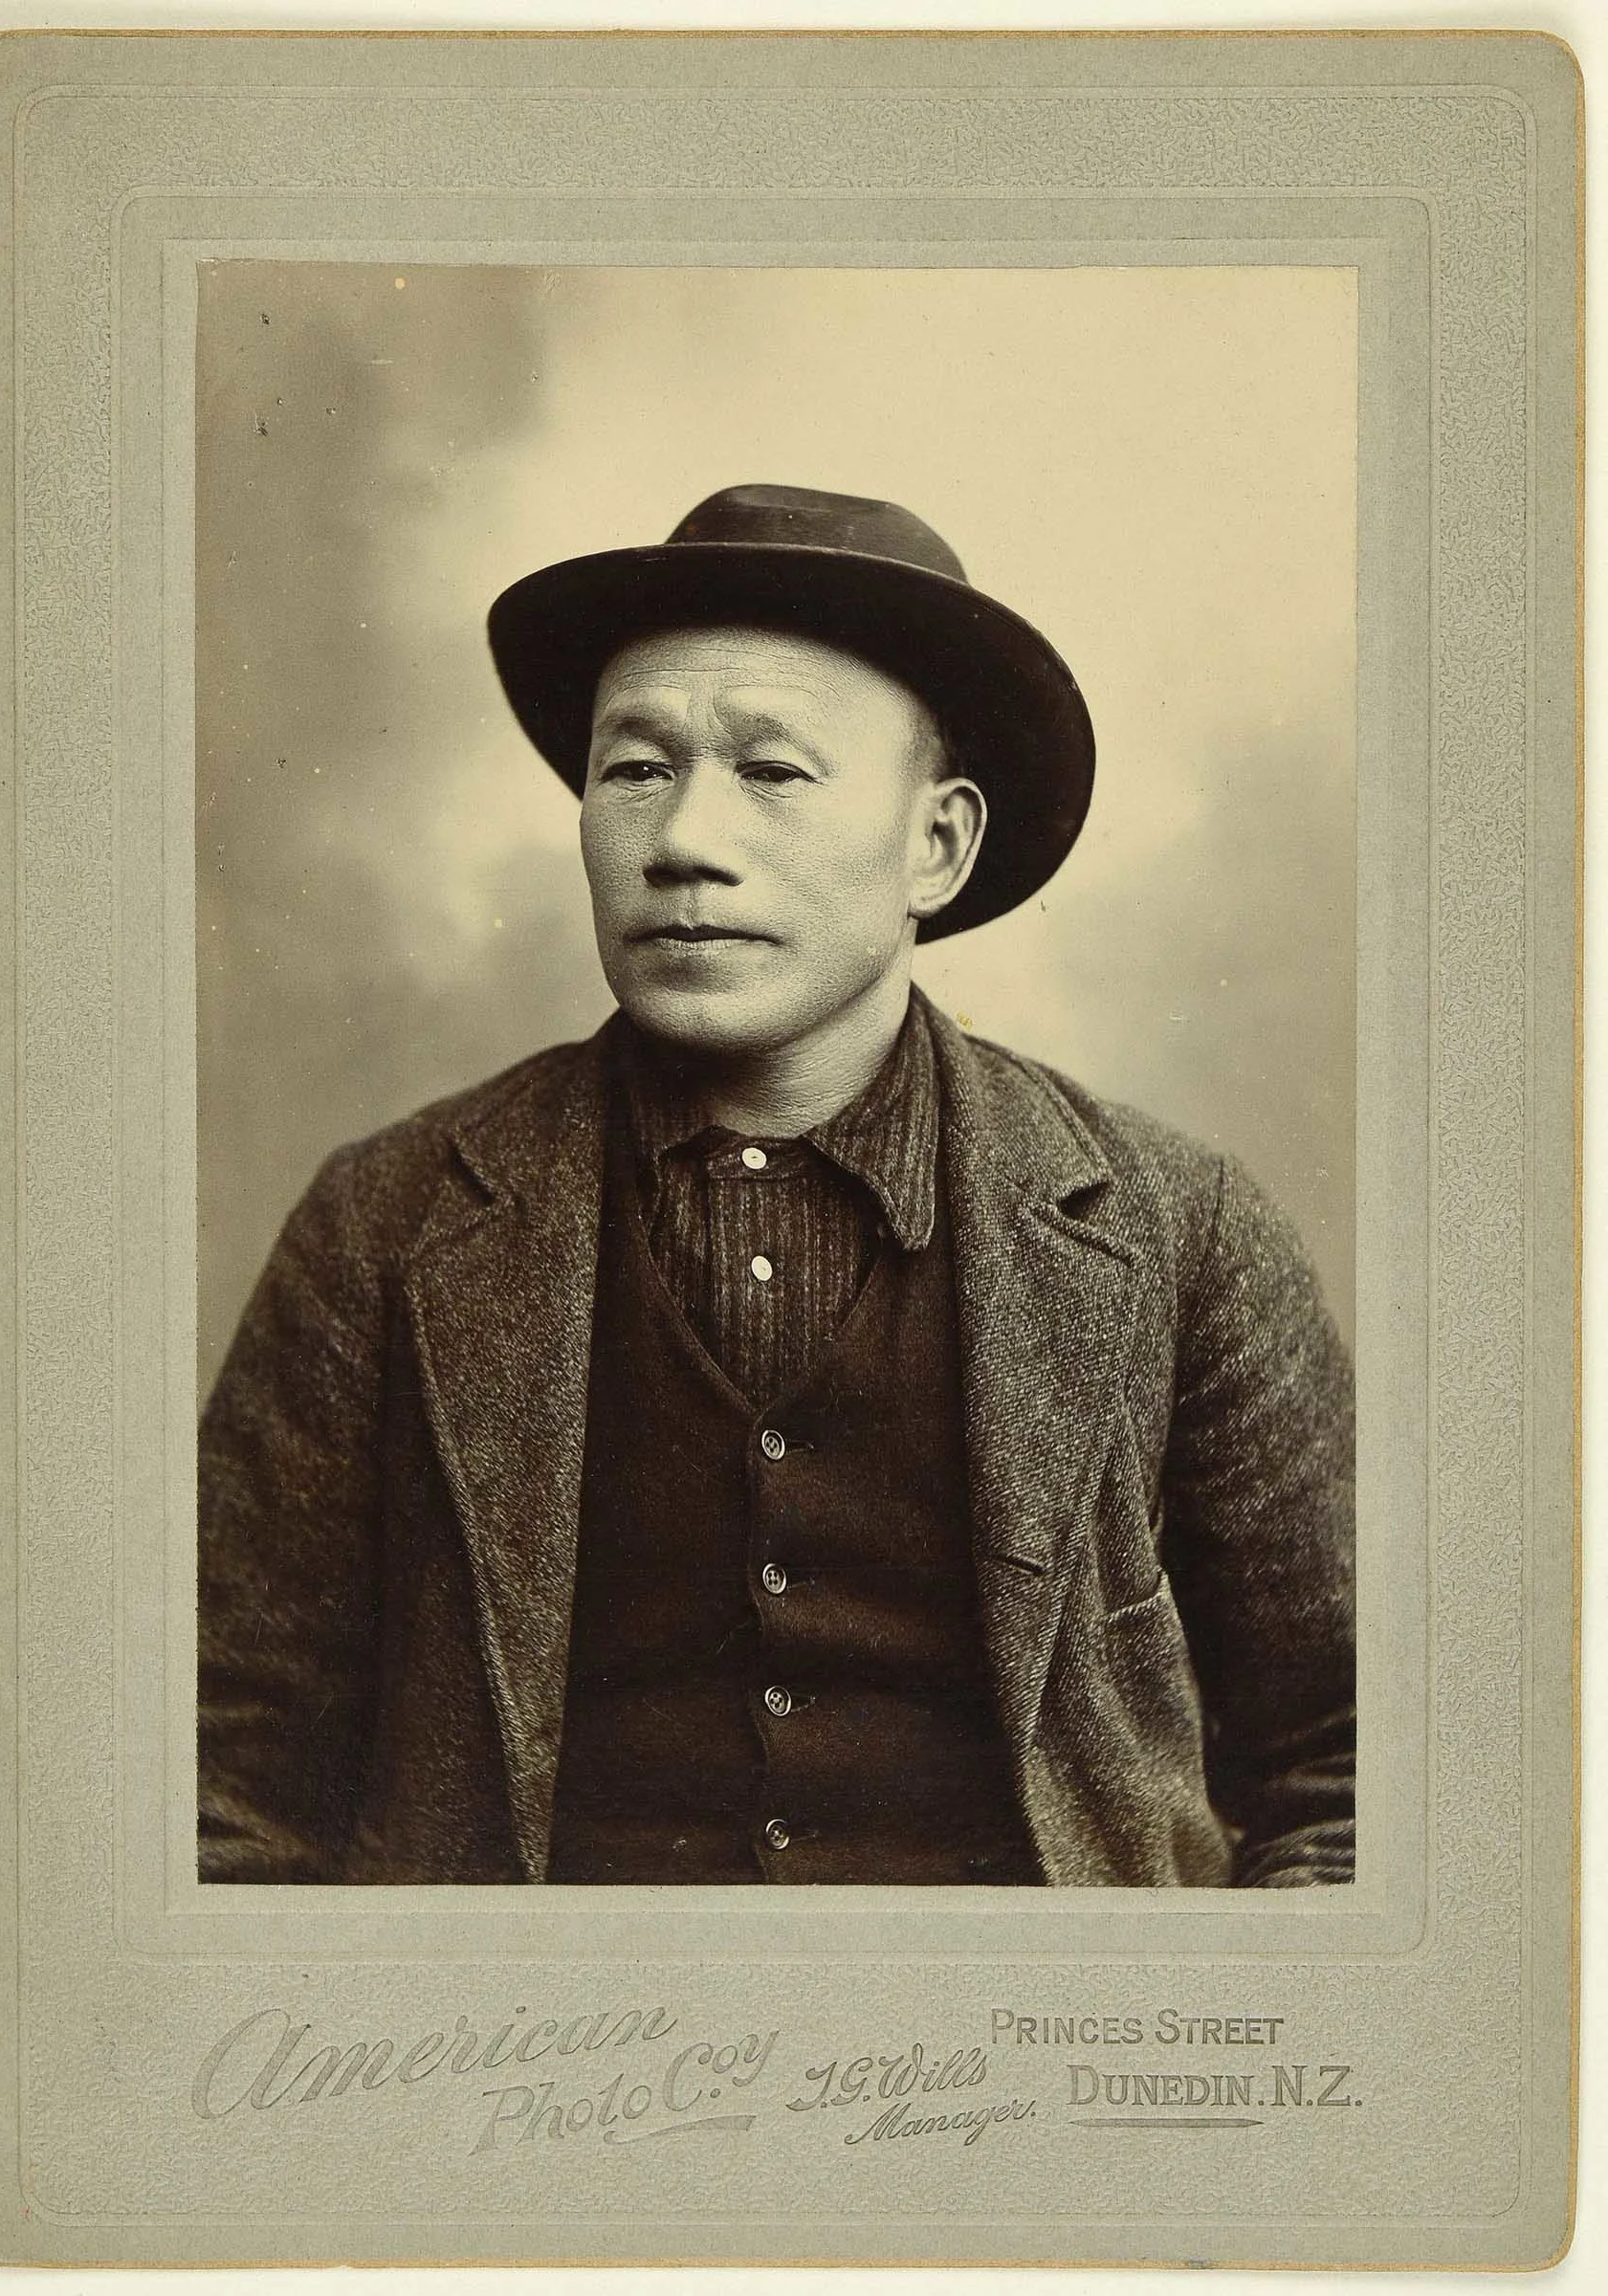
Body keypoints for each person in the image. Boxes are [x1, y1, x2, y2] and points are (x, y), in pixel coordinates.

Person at [198, 482, 1355, 1889]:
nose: (684, 838)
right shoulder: (385, 1226)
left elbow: (1353, 1772)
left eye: (773, 770)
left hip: (1023, 2079)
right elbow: (221, 1783)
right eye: (633, 770)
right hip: (534, 2083)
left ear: (937, 844)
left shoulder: (1181, 1232)